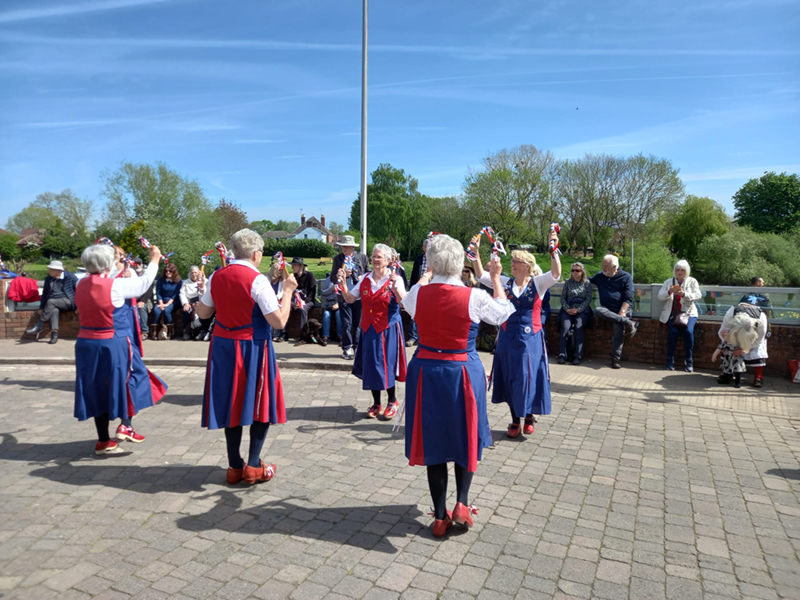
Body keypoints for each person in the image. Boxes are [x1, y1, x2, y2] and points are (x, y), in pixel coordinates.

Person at [402, 234, 513, 538]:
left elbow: (411, 300)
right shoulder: (473, 296)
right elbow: (503, 313)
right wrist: (494, 277)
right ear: (461, 263)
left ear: (431, 262)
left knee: (433, 442)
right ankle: (461, 504)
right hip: (462, 370)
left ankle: (440, 516)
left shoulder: (417, 293)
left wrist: (426, 273)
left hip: (425, 371)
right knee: (466, 436)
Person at [195, 229, 297, 485]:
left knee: (232, 402)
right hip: (252, 346)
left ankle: (233, 466)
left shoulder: (218, 275)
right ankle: (252, 465)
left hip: (222, 346)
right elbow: (280, 321)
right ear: (256, 253)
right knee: (259, 402)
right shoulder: (257, 280)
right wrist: (288, 291)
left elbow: (204, 314)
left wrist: (202, 294)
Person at [73, 243, 168, 454]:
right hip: (112, 342)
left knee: (97, 387)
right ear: (108, 263)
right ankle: (126, 424)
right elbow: (143, 284)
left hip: (86, 343)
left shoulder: (80, 284)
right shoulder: (114, 286)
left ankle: (103, 440)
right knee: (132, 378)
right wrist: (154, 260)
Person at [473, 231, 561, 438]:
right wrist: (475, 252)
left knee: (527, 375)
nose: (511, 263)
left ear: (527, 266)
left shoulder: (538, 283)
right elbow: (480, 275)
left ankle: (529, 415)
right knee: (510, 375)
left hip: (531, 338)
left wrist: (553, 250)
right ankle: (514, 420)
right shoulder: (504, 282)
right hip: (507, 336)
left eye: (516, 261)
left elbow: (556, 274)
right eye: (511, 260)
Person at [340, 243, 407, 418]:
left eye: (379, 257)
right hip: (369, 328)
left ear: (388, 260)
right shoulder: (365, 279)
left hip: (388, 328)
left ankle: (392, 400)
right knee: (371, 365)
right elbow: (350, 299)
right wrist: (342, 284)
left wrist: (395, 289)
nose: (375, 260)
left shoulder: (395, 279)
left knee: (387, 364)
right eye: (373, 256)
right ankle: (376, 403)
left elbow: (404, 304)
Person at [589, 255, 638, 369]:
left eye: (606, 266)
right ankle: (629, 323)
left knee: (618, 327)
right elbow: (588, 280)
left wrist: (622, 311)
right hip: (606, 309)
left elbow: (628, 298)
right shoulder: (600, 276)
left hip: (622, 309)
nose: (603, 268)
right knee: (597, 310)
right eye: (602, 265)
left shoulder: (626, 277)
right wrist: (574, 278)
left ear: (615, 267)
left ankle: (615, 359)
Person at [657, 260, 702, 372]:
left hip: (689, 314)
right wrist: (669, 292)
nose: (680, 272)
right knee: (673, 332)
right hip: (672, 314)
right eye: (677, 270)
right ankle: (669, 359)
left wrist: (684, 294)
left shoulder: (692, 281)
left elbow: (698, 295)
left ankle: (689, 360)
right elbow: (659, 297)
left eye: (682, 270)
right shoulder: (668, 282)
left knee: (688, 332)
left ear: (686, 271)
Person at [330, 235, 369, 359]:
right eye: (342, 246)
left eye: (346, 246)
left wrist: (360, 277)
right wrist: (342, 276)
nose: (344, 248)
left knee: (358, 323)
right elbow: (332, 278)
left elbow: (369, 273)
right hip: (344, 295)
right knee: (347, 323)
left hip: (359, 296)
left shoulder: (361, 257)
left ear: (352, 247)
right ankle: (346, 348)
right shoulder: (338, 259)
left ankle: (357, 347)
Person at [724, 288, 770, 388]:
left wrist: (746, 349)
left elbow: (760, 339)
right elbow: (722, 331)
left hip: (754, 338)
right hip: (733, 335)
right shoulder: (731, 312)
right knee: (729, 351)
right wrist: (727, 344)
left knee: (758, 349)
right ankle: (728, 371)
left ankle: (758, 376)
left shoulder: (761, 316)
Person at [25, 260, 79, 344]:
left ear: (58, 270)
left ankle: (40, 324)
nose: (49, 271)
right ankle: (54, 335)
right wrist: (41, 308)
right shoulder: (48, 279)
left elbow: (78, 292)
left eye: (51, 269)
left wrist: (77, 307)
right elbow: (45, 294)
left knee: (51, 302)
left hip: (67, 301)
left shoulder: (71, 277)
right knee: (54, 310)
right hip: (52, 303)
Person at [712, 312, 761, 389]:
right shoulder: (729, 317)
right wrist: (726, 343)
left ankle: (741, 381)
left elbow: (758, 341)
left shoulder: (761, 325)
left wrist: (745, 349)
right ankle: (727, 377)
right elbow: (722, 334)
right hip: (729, 357)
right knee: (727, 368)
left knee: (738, 369)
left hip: (737, 359)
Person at [557, 262, 593, 365]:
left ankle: (578, 355)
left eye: (577, 270)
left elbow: (588, 299)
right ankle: (562, 354)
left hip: (581, 308)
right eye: (573, 270)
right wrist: (567, 309)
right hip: (568, 307)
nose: (574, 272)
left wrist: (578, 310)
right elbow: (563, 298)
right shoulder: (568, 282)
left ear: (582, 272)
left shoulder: (587, 283)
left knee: (578, 326)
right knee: (565, 326)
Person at [406, 239, 430, 347]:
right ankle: (413, 337)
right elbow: (414, 274)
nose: (429, 249)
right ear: (423, 248)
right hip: (419, 288)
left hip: (432, 288)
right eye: (427, 247)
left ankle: (425, 336)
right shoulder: (419, 259)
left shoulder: (436, 260)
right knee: (415, 312)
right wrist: (411, 289)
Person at [150, 263, 181, 340]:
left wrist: (166, 304)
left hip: (173, 301)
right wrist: (161, 303)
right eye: (166, 271)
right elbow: (158, 292)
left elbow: (176, 295)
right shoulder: (161, 279)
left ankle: (171, 332)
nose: (168, 273)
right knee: (156, 311)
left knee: (166, 311)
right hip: (161, 301)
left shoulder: (179, 281)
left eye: (170, 271)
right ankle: (154, 332)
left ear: (174, 272)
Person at [290, 257, 316, 342]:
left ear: (300, 266)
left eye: (294, 265)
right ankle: (283, 333)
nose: (292, 267)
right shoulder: (293, 276)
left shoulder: (309, 275)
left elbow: (312, 292)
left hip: (308, 301)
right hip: (295, 301)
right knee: (286, 307)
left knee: (303, 309)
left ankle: (303, 335)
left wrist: (305, 301)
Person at [180, 266, 208, 340]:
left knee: (202, 312)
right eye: (192, 272)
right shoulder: (185, 282)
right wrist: (185, 303)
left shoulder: (204, 281)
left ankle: (201, 332)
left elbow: (204, 293)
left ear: (199, 273)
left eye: (195, 272)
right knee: (186, 311)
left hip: (200, 302)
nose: (194, 274)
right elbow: (182, 294)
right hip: (189, 302)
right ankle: (186, 331)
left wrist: (202, 283)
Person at [133, 258, 155, 337]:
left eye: (139, 263)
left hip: (146, 300)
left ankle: (144, 331)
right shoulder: (131, 276)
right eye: (135, 264)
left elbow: (149, 291)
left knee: (141, 308)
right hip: (133, 299)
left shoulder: (147, 276)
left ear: (142, 264)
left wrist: (142, 300)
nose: (137, 265)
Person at [267, 261, 288, 343]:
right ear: (274, 270)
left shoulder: (282, 281)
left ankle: (277, 334)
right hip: (268, 300)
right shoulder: (267, 279)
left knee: (277, 311)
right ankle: (270, 333)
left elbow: (281, 293)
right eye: (279, 270)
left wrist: (275, 298)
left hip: (278, 300)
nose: (281, 271)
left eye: (282, 270)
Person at [320, 271, 342, 347]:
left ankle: (341, 337)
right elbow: (323, 292)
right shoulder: (328, 279)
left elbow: (346, 293)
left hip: (339, 302)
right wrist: (331, 289)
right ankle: (325, 337)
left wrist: (339, 304)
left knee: (339, 315)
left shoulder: (343, 280)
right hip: (329, 302)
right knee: (326, 315)